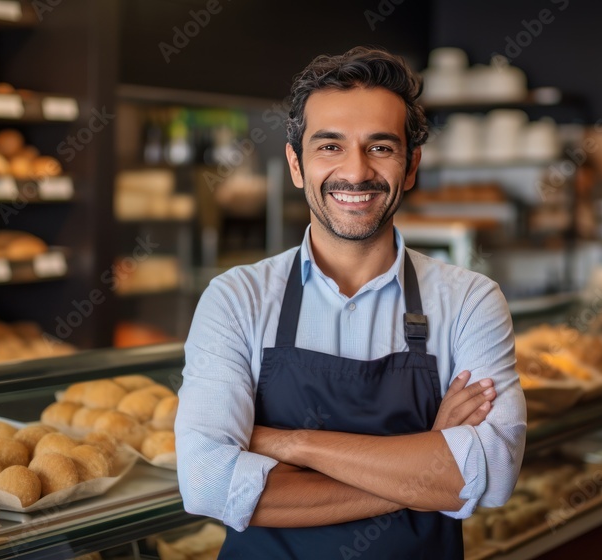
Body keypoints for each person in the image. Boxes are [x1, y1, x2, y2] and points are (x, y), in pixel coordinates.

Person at [176, 46, 526, 559]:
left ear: (411, 166)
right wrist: (424, 472)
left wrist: (291, 444)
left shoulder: (471, 300)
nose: (356, 172)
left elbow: (489, 477)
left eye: (381, 147)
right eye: (330, 147)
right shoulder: (236, 299)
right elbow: (208, 483)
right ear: (297, 165)